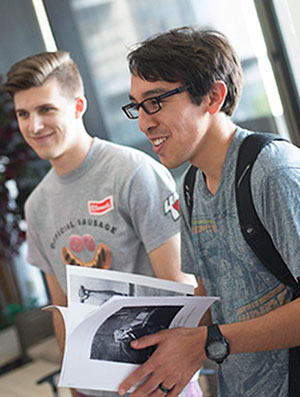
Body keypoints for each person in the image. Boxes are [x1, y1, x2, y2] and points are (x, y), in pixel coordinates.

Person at [119, 26, 300, 397]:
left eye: (156, 101)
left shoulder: (273, 171)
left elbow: (213, 335)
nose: (144, 121)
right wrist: (158, 352)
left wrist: (205, 342)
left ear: (213, 96)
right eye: (137, 106)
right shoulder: (190, 185)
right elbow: (210, 289)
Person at [3, 50, 197, 397]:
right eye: (23, 113)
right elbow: (61, 309)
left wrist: (170, 376)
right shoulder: (36, 206)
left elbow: (179, 287)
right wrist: (74, 383)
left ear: (78, 107)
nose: (34, 126)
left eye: (46, 109)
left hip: (158, 382)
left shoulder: (133, 173)